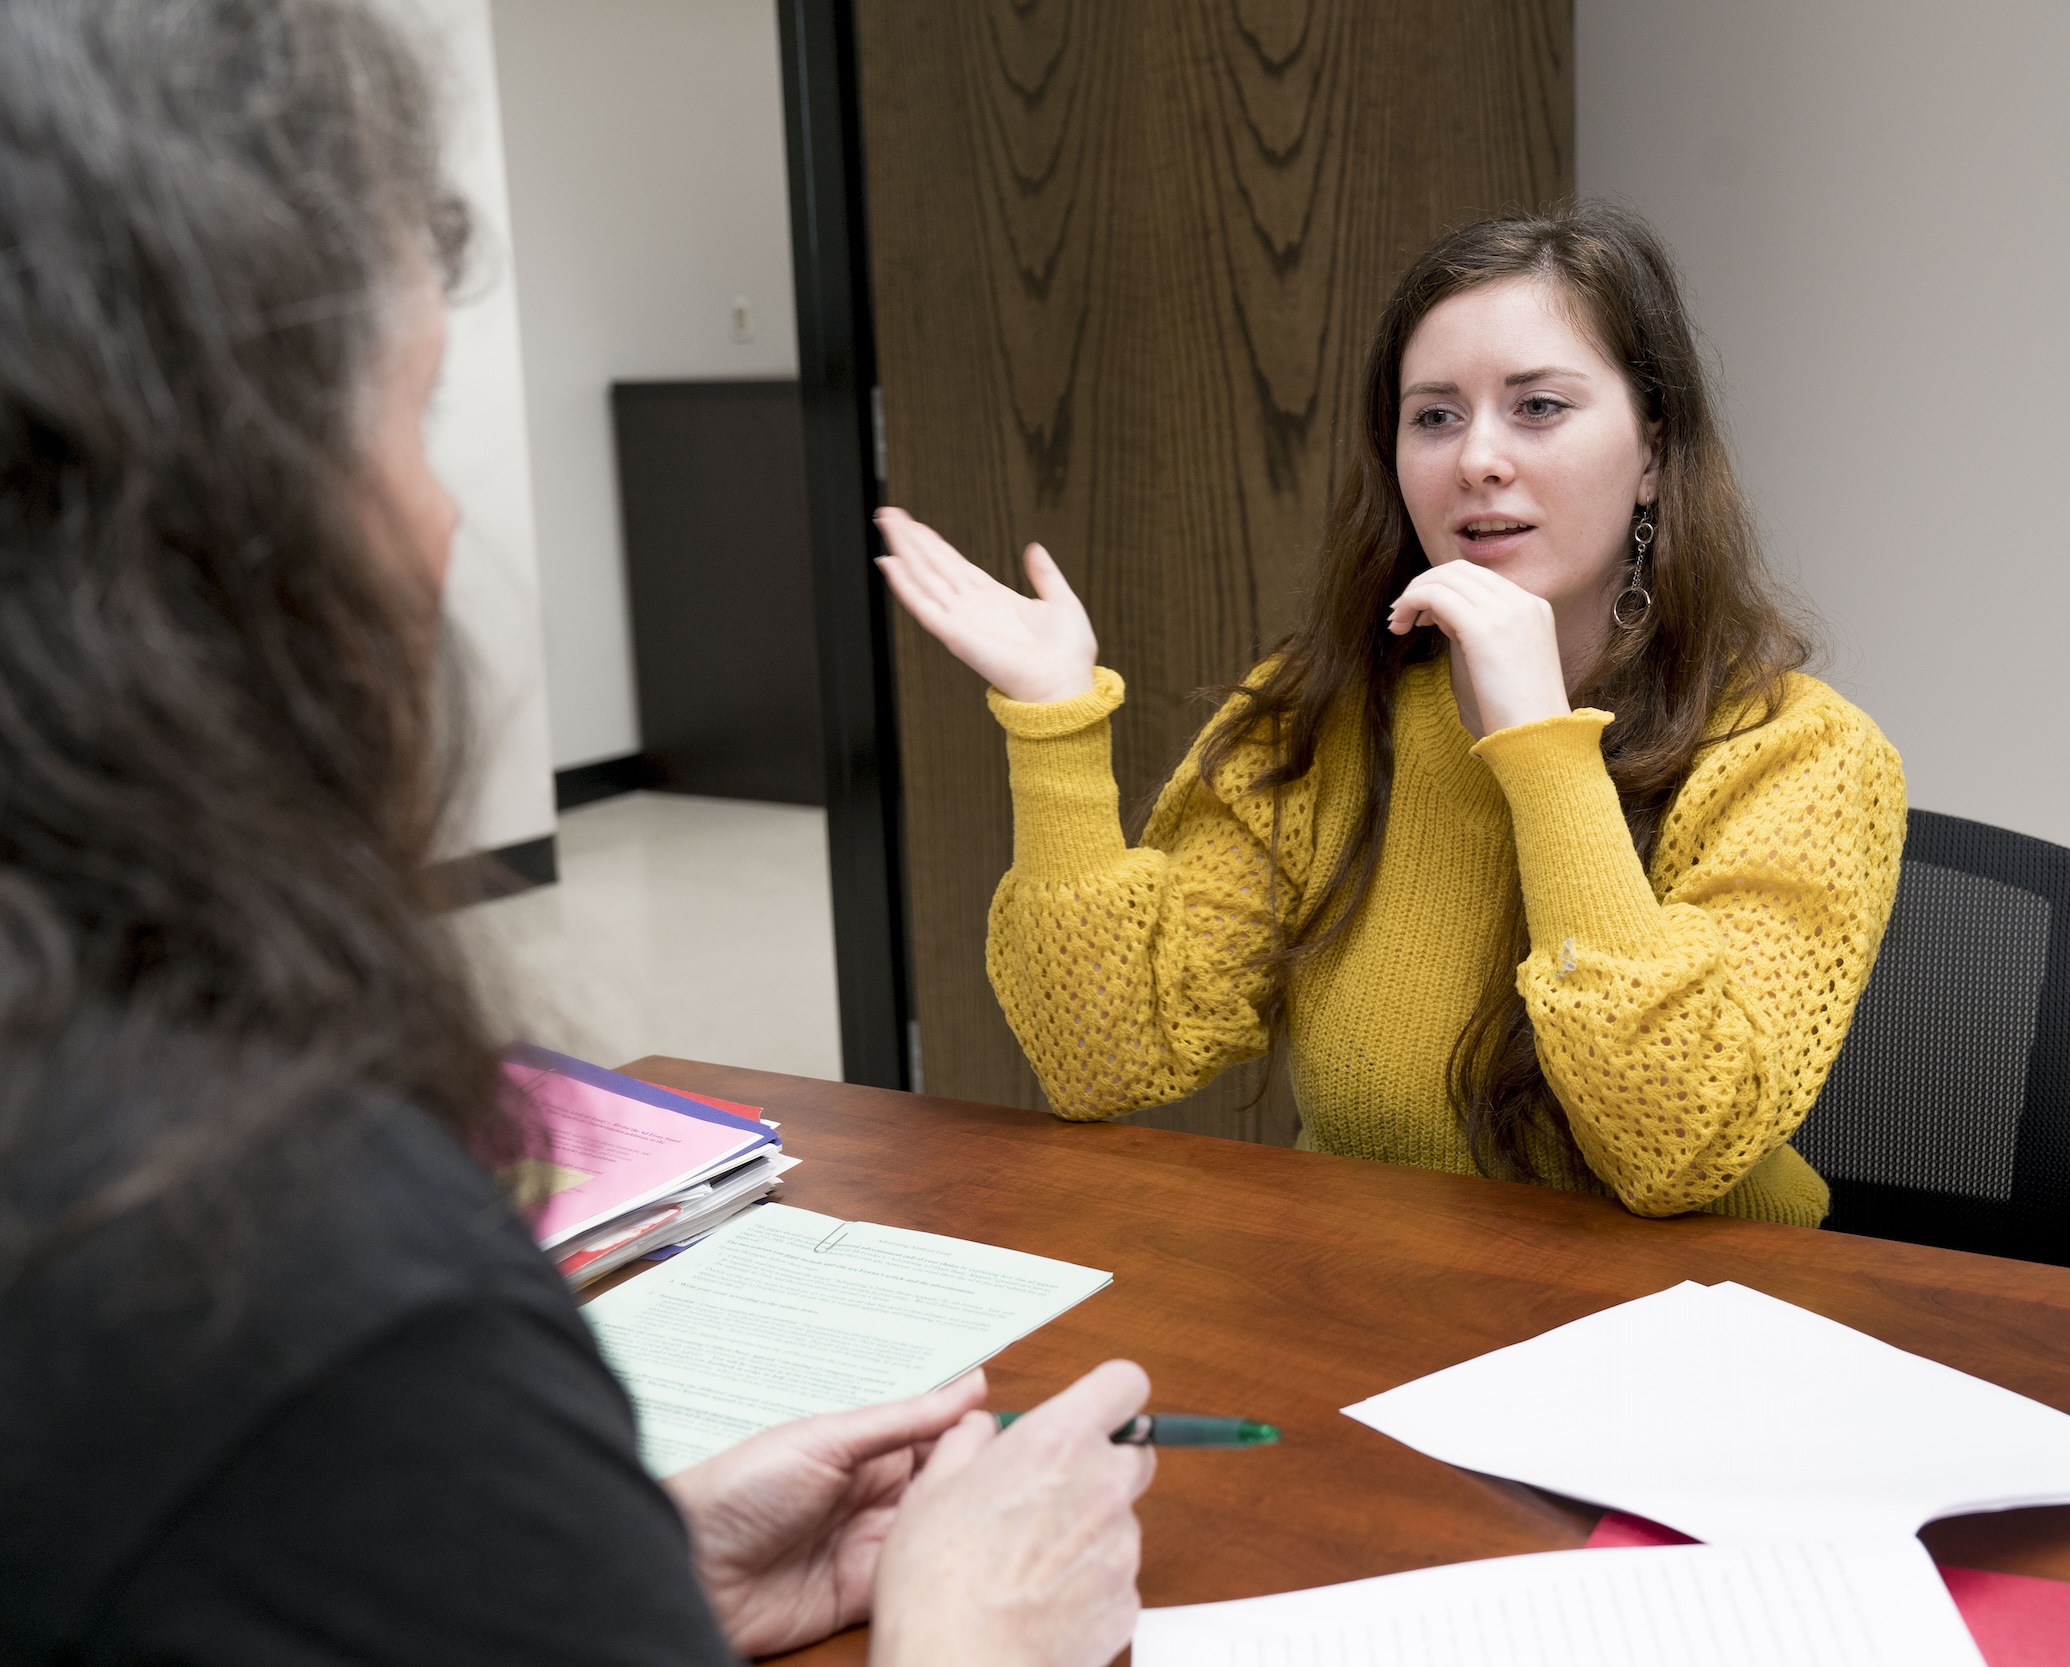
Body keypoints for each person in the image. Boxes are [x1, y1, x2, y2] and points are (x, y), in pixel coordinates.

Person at [0, 4, 1150, 1664]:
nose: (445, 513)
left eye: (1536, 404)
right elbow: (1112, 1036)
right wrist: (972, 1633)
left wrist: (609, 1581)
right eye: (411, 414)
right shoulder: (283, 1262)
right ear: (219, 518)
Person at [878, 204, 1907, 1225]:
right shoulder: (1314, 721)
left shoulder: (1801, 753)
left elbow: (1677, 1145)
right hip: (1379, 1290)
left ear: (1651, 451)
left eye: (1538, 406)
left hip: (1694, 1325)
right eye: (1435, 415)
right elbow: (1104, 1055)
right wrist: (1054, 720)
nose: (1477, 460)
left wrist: (1540, 749)